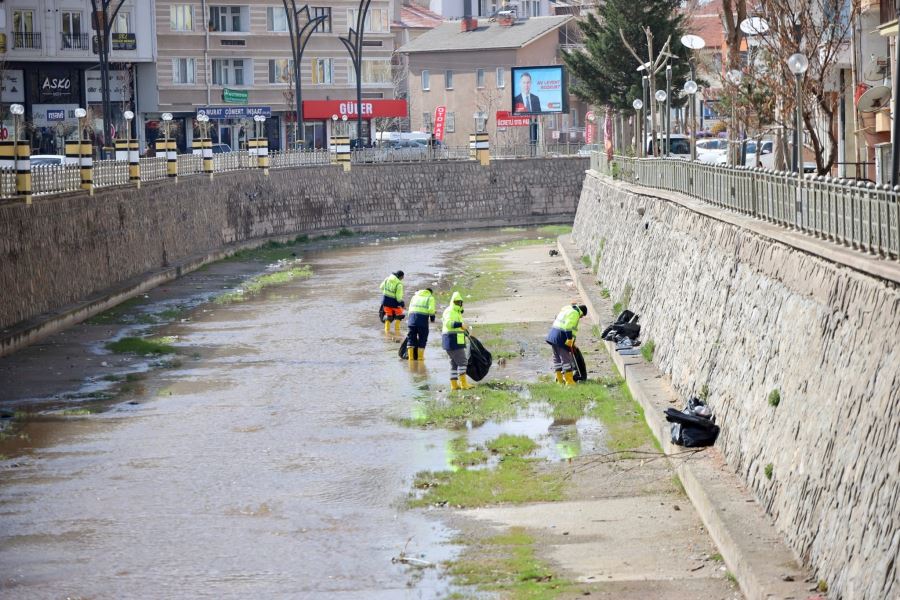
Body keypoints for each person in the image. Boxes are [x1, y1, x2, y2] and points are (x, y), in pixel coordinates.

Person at [546, 303, 588, 386]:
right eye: (582, 316)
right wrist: (569, 339)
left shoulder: (567, 309)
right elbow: (568, 327)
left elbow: (558, 320)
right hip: (561, 338)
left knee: (557, 358)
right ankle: (569, 382)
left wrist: (572, 342)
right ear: (582, 312)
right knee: (566, 360)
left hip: (553, 335)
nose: (580, 318)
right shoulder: (575, 313)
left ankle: (560, 380)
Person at [442, 291, 473, 391]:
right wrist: (459, 325)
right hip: (452, 340)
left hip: (455, 340)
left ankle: (454, 385)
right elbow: (448, 324)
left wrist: (465, 332)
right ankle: (463, 384)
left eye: (460, 302)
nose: (459, 304)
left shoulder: (457, 312)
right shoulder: (449, 311)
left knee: (454, 363)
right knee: (463, 361)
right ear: (453, 302)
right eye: (457, 302)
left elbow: (459, 328)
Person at [406, 288, 436, 363]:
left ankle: (411, 359)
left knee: (411, 338)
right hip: (422, 321)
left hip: (411, 320)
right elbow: (431, 310)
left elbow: (410, 309)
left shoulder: (414, 296)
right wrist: (432, 318)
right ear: (430, 293)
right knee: (422, 338)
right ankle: (420, 358)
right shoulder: (430, 298)